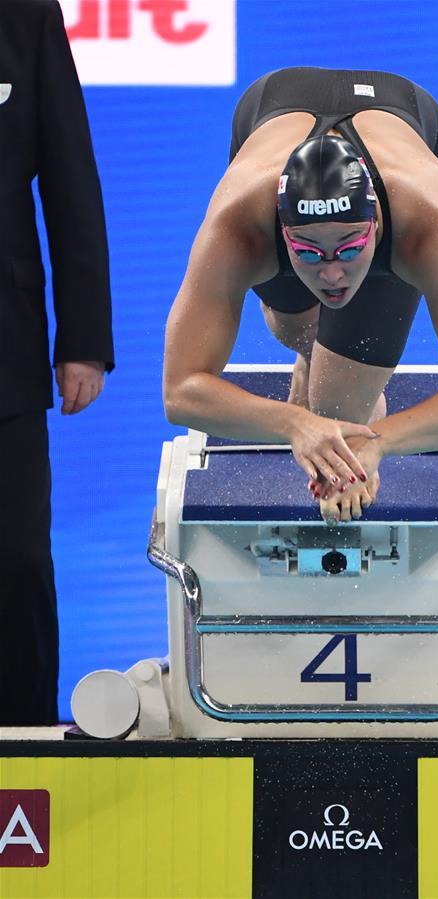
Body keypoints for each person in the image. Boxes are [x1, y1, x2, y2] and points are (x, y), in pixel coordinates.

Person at [164, 67, 438, 524]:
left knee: (337, 410)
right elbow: (180, 392)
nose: (332, 272)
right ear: (280, 231)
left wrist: (377, 439)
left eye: (350, 247)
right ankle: (315, 351)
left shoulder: (423, 227)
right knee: (291, 327)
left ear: (376, 226)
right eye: (308, 253)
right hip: (270, 104)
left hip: (404, 113)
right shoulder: (239, 229)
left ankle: (339, 378)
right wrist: (295, 425)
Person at [0, 0, 114, 725]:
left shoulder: (25, 18)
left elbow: (71, 182)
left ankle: (23, 748)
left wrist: (84, 339)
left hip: (3, 355)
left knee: (15, 563)